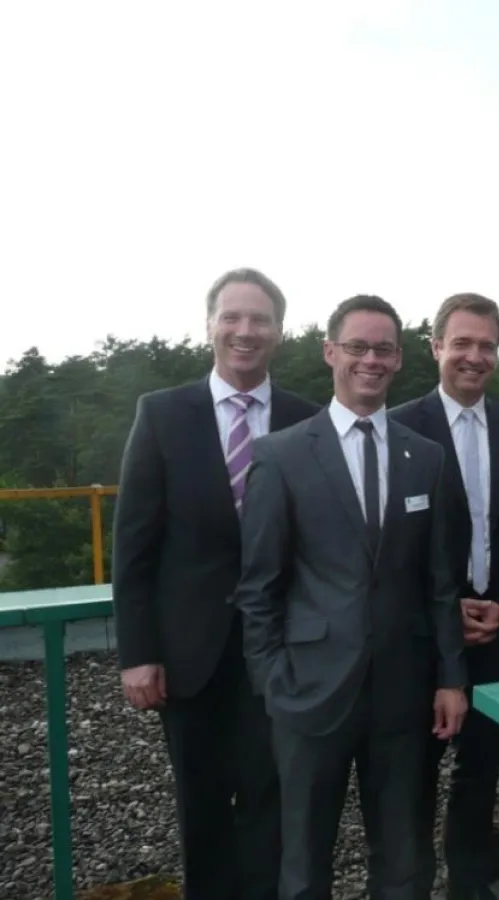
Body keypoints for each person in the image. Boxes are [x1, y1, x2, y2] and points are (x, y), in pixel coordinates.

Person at [234, 294, 468, 900]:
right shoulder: (281, 455)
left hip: (403, 691)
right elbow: (258, 586)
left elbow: (440, 583)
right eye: (358, 347)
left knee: (404, 854)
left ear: (398, 361)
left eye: (384, 349)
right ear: (330, 352)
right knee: (305, 856)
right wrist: (271, 682)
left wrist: (451, 678)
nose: (371, 359)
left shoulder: (428, 458)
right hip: (309, 691)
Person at [111, 267, 319, 900]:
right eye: (232, 317)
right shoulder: (162, 415)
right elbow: (134, 547)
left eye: (260, 320)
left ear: (279, 333)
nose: (245, 331)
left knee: (270, 796)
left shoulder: (304, 420)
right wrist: (138, 654)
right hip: (189, 653)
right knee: (200, 802)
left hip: (279, 650)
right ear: (209, 326)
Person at [390, 293, 499, 900]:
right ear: (435, 349)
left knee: (481, 765)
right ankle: (412, 883)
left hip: (494, 627)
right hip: (425, 632)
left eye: (486, 346)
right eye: (463, 344)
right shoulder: (399, 427)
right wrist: (443, 607)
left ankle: (469, 883)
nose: (474, 357)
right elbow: (391, 545)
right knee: (418, 769)